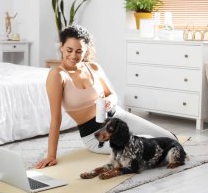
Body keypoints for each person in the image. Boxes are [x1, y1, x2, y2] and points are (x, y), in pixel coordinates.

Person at [35, 25, 176, 169]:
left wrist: (109, 100)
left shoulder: (93, 67)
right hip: (96, 134)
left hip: (119, 118)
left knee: (170, 139)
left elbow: (112, 95)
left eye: (79, 51)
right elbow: (56, 118)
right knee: (147, 143)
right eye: (69, 50)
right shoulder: (57, 75)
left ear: (86, 50)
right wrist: (51, 155)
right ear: (61, 47)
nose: (73, 56)